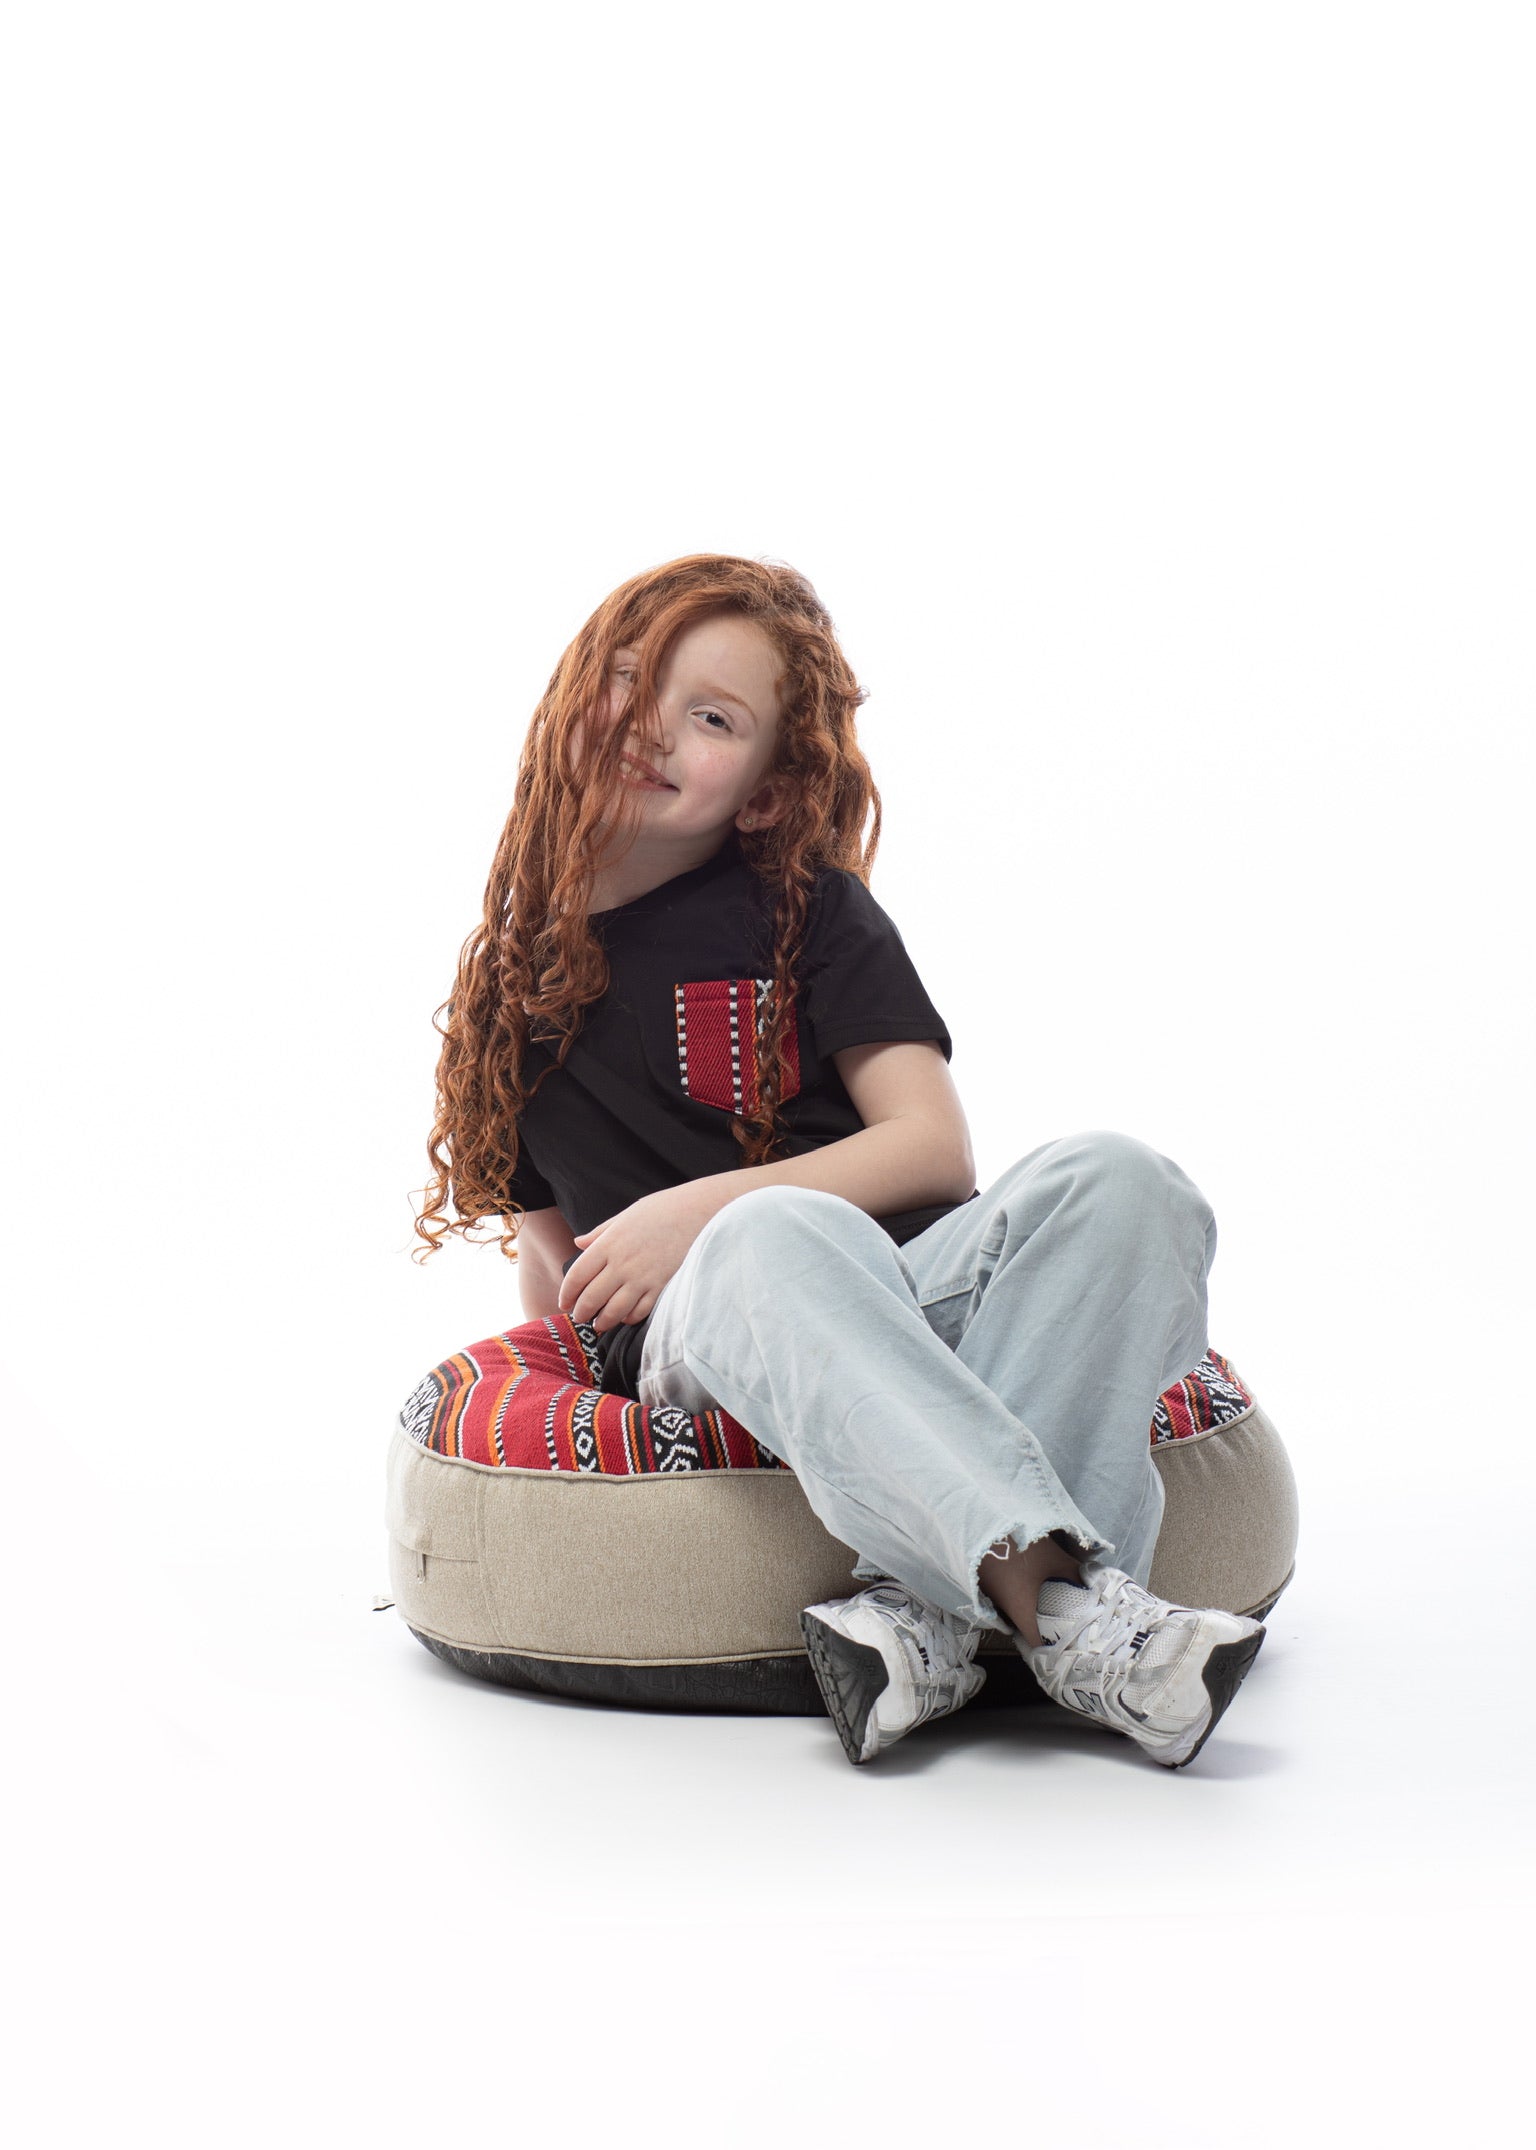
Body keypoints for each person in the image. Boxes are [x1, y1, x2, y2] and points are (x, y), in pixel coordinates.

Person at [416, 553, 1265, 1769]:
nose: (655, 726)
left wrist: (692, 1208)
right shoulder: (512, 983)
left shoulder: (809, 912)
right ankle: (1070, 1606)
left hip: (905, 1291)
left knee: (1126, 1177)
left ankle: (923, 1623)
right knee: (770, 1235)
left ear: (765, 793)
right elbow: (554, 1265)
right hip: (709, 1336)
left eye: (713, 717)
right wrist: (649, 1286)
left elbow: (933, 1148)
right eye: (632, 681)